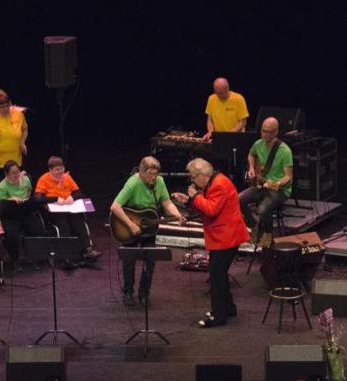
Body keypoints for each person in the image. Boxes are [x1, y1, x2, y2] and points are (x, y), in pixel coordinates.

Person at [173, 158, 248, 327]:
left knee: (216, 275)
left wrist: (195, 196)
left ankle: (219, 316)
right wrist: (188, 200)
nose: (192, 180)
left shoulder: (219, 184)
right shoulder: (213, 182)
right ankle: (228, 308)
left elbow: (211, 209)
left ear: (201, 175)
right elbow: (206, 205)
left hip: (227, 237)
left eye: (193, 177)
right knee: (219, 274)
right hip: (222, 236)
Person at [109, 156, 185, 306]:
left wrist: (177, 215)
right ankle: (128, 292)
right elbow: (115, 207)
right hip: (129, 225)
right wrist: (131, 225)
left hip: (149, 225)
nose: (153, 177)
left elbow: (166, 202)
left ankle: (144, 292)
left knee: (150, 260)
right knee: (129, 260)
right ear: (142, 172)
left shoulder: (159, 182)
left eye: (155, 173)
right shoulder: (133, 183)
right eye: (150, 174)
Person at [34, 156, 102, 265]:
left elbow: (80, 193)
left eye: (61, 169)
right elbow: (37, 198)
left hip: (69, 208)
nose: (60, 172)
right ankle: (65, 256)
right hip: (55, 211)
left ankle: (87, 250)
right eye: (56, 170)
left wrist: (72, 197)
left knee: (79, 220)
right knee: (63, 224)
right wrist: (55, 199)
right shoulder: (44, 179)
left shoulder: (67, 178)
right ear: (50, 170)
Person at [240, 117, 293, 246]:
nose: (264, 134)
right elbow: (251, 154)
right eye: (263, 131)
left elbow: (288, 177)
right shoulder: (258, 144)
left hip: (279, 190)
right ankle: (254, 226)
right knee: (238, 199)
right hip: (262, 184)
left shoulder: (284, 151)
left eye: (268, 132)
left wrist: (277, 183)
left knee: (263, 209)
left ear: (275, 132)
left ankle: (268, 233)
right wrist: (252, 168)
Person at [0, 160, 46, 270]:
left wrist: (25, 200)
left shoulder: (25, 180)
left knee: (37, 229)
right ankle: (15, 260)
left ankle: (34, 257)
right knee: (12, 235)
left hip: (25, 211)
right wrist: (11, 199)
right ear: (6, 174)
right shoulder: (2, 186)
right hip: (11, 215)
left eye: (17, 172)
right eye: (12, 173)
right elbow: (1, 205)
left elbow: (29, 192)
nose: (16, 175)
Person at [0, 92, 27, 172]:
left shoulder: (18, 115)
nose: (5, 109)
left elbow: (24, 130)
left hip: (16, 160)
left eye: (7, 106)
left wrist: (22, 142)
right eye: (1, 107)